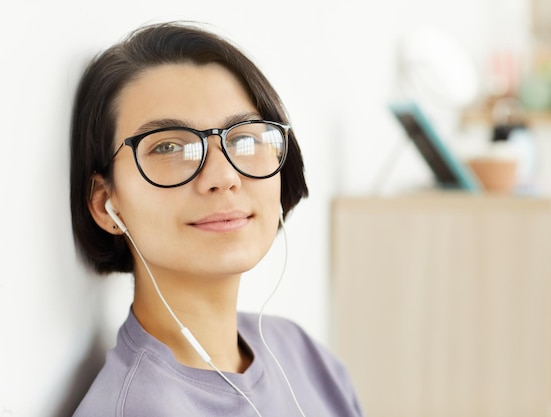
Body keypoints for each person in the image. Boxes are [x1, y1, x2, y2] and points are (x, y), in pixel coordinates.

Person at [70, 21, 364, 417]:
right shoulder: (133, 408)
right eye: (170, 146)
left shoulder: (300, 355)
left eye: (244, 138)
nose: (223, 177)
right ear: (107, 203)